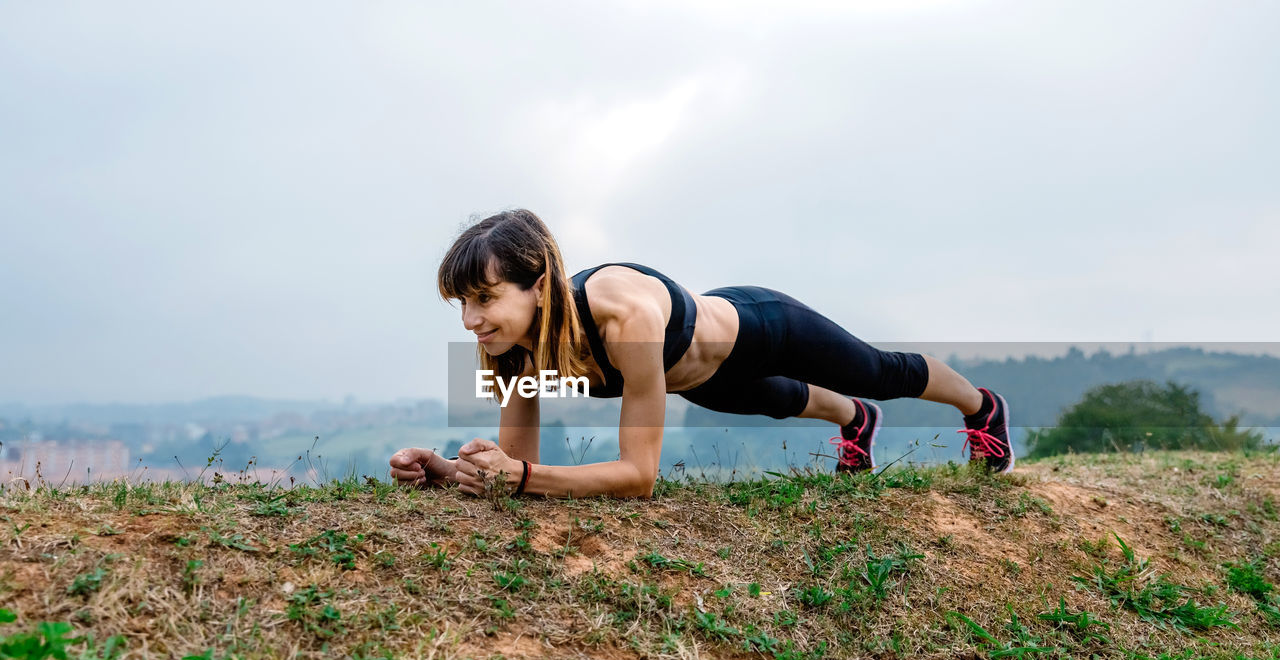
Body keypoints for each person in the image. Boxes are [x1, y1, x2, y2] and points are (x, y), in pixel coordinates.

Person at [390, 209, 1013, 498]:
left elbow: (638, 478)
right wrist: (451, 470)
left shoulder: (619, 313)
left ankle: (981, 407)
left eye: (485, 299)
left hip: (763, 327)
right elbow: (514, 467)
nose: (470, 321)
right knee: (780, 404)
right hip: (695, 377)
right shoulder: (512, 351)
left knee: (880, 373)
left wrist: (521, 476)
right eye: (461, 304)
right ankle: (856, 423)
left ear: (541, 286)